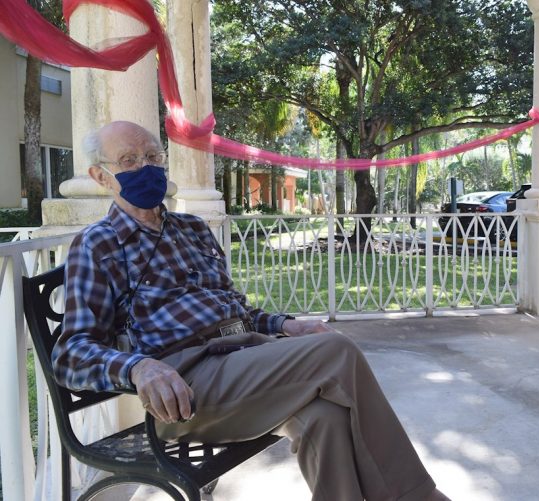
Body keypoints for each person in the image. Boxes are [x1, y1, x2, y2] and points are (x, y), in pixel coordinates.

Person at [52, 121, 450, 501]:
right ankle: (414, 496)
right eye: (129, 160)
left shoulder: (192, 229)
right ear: (101, 176)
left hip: (243, 356)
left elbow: (234, 307)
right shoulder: (98, 245)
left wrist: (287, 324)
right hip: (187, 388)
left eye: (153, 156)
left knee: (324, 419)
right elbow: (71, 354)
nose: (146, 167)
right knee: (338, 352)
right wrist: (139, 368)